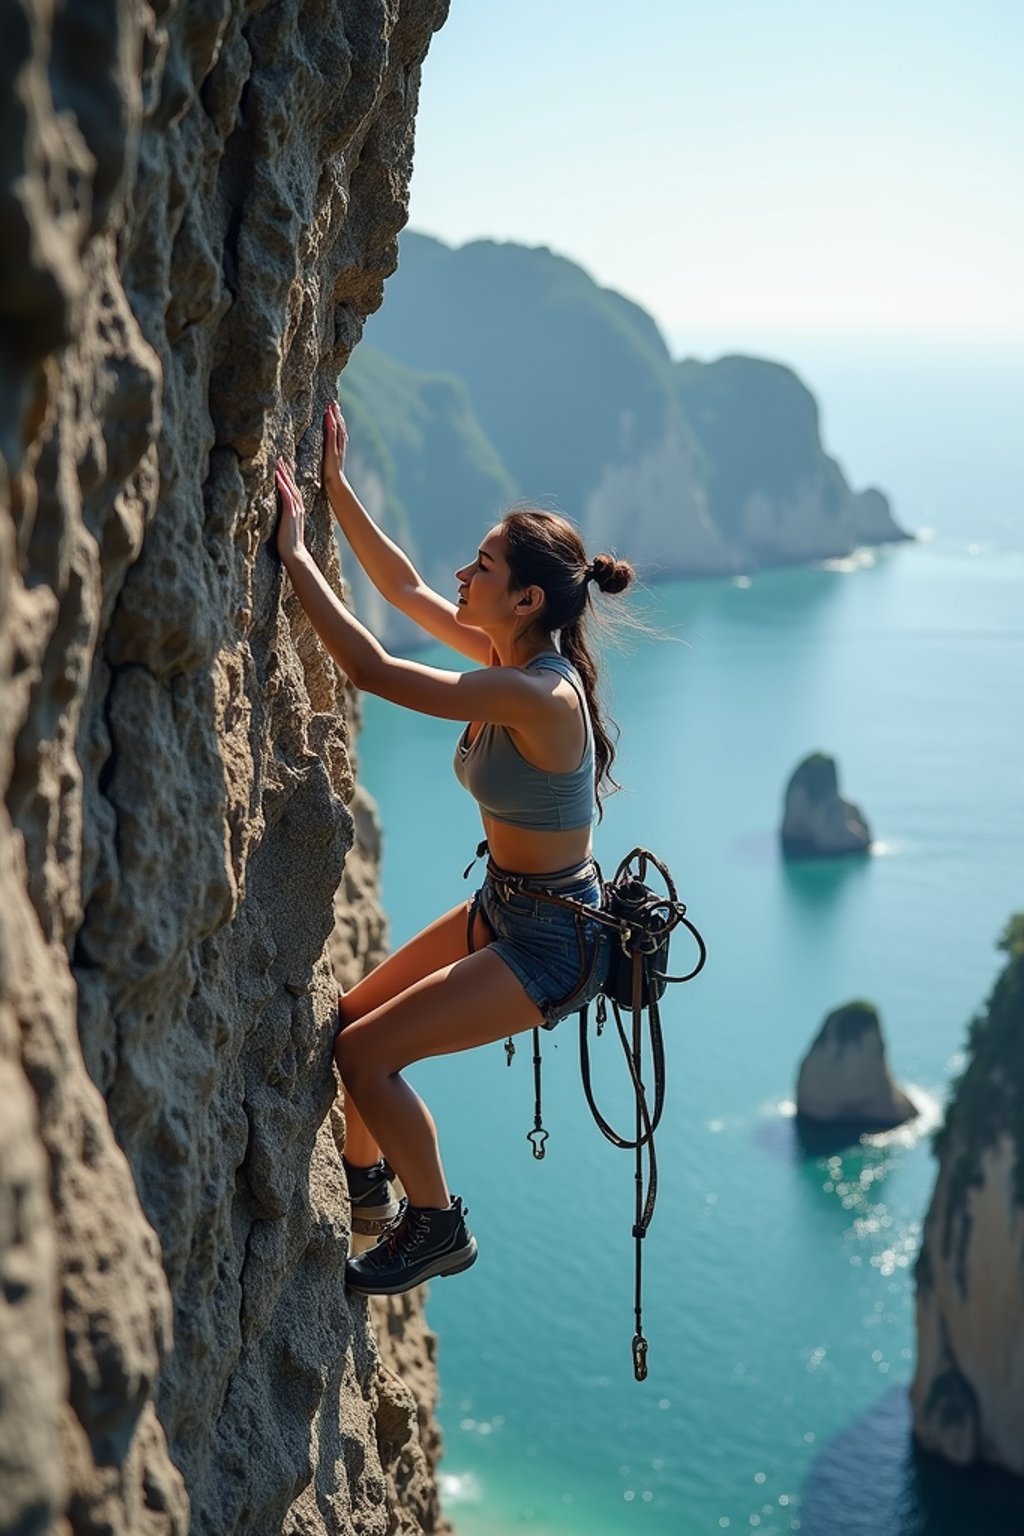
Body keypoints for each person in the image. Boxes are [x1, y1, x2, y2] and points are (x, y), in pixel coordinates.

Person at [275, 401, 635, 1297]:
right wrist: (333, 488)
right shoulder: (505, 653)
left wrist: (294, 559)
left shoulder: (541, 696)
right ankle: (369, 1196)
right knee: (353, 1026)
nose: (461, 574)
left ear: (527, 598)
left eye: (481, 566)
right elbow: (400, 592)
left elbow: (375, 671)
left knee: (366, 1059)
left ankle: (436, 1228)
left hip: (553, 941)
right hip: (512, 907)